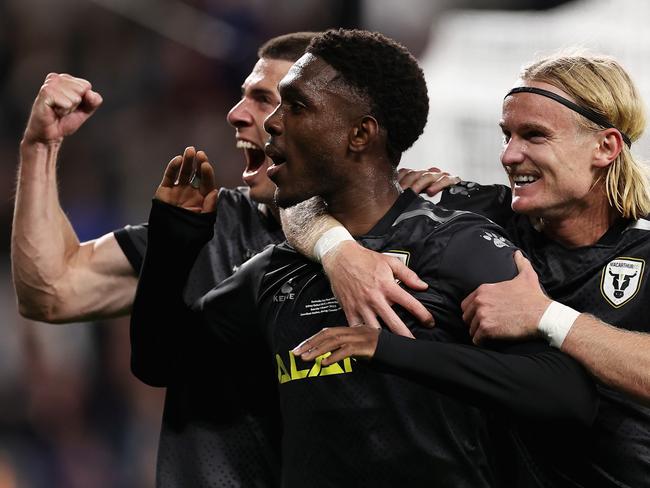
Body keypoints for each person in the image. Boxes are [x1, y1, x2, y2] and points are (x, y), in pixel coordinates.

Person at [131, 29, 596, 487]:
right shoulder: (277, 270)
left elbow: (566, 395)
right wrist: (175, 243)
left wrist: (388, 351)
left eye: (296, 106)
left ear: (359, 134)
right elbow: (161, 362)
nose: (272, 122)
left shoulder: (455, 244)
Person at [12, 31, 444, 486]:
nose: (238, 115)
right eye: (245, 98)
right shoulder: (208, 227)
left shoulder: (419, 231)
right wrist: (40, 147)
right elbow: (51, 290)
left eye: (269, 100)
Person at [288, 50, 650, 487]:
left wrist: (544, 315)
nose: (510, 155)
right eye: (506, 135)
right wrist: (338, 251)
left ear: (604, 147)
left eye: (534, 136)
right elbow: (308, 196)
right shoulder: (477, 212)